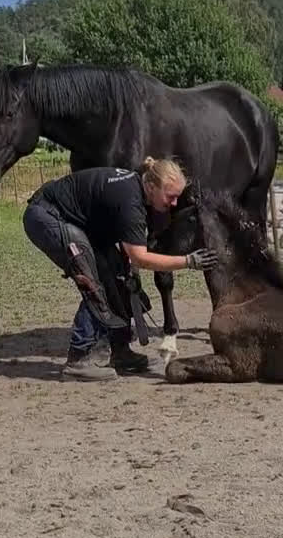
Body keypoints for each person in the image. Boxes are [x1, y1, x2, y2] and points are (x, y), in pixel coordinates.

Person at [22, 155, 212, 376]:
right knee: (94, 282)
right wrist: (188, 261)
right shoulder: (130, 201)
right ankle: (80, 358)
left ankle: (120, 351)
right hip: (47, 216)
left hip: (73, 221)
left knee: (119, 276)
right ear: (151, 187)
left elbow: (126, 247)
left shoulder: (136, 191)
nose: (174, 203)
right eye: (171, 197)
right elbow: (140, 258)